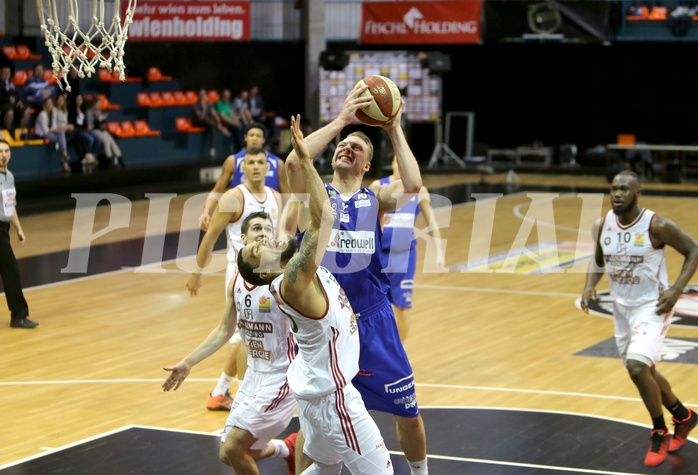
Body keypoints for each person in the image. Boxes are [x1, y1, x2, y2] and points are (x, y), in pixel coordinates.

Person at [284, 84, 428, 474]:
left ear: (367, 166)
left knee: (408, 412)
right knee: (312, 429)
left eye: (357, 148)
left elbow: (414, 186)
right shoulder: (314, 199)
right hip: (324, 328)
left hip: (373, 320)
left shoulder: (375, 198)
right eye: (342, 145)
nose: (346, 148)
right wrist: (342, 121)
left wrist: (394, 128)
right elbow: (296, 164)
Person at [237, 115, 393, 474]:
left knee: (324, 468)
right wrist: (306, 160)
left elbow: (300, 212)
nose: (268, 241)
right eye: (260, 249)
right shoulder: (293, 278)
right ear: (264, 272)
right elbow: (324, 219)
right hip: (333, 400)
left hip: (313, 395)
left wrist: (299, 172)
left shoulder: (289, 267)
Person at [164, 212, 298, 475]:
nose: (263, 233)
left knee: (236, 446)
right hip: (254, 376)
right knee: (228, 454)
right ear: (243, 237)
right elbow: (225, 329)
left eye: (268, 230)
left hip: (283, 375)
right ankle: (288, 449)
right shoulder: (237, 280)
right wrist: (189, 362)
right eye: (257, 228)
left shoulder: (284, 279)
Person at [581, 170, 698, 467]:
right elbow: (598, 259)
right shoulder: (603, 224)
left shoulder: (656, 225)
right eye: (613, 189)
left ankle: (659, 430)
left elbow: (693, 250)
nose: (617, 194)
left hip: (652, 306)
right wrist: (589, 284)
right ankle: (683, 416)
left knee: (636, 367)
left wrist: (676, 289)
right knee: (645, 371)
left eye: (624, 189)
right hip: (621, 309)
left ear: (638, 192)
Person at [187, 147, 283, 412]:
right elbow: (210, 236)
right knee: (244, 337)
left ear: (267, 168)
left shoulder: (275, 197)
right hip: (240, 274)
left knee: (258, 336)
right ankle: (244, 398)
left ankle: (221, 391)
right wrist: (197, 273)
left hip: (268, 275)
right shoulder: (233, 197)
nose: (254, 166)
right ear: (243, 168)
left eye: (260, 162)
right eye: (250, 162)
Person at [369, 155, 447, 345]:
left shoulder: (420, 191)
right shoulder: (378, 185)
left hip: (404, 257)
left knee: (401, 310)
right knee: (374, 308)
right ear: (393, 164)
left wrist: (439, 253)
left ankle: (401, 351)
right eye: (398, 161)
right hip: (379, 256)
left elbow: (433, 224)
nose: (401, 165)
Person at [199, 122, 288, 231]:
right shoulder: (233, 161)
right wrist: (206, 212)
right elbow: (217, 190)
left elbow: (287, 195)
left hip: (269, 216)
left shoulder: (277, 163)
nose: (254, 138)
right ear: (245, 138)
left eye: (258, 136)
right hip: (241, 216)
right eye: (251, 135)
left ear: (263, 140)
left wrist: (290, 218)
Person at [0, 139, 37, 329]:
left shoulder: (10, 177)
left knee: (9, 270)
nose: (3, 154)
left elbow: (10, 206)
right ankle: (19, 315)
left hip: (3, 230)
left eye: (6, 150)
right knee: (11, 270)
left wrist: (19, 229)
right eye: (0, 151)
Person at [86, 96, 125, 169]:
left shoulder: (99, 111)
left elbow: (101, 122)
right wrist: (98, 120)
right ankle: (109, 160)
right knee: (106, 141)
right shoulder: (89, 111)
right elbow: (89, 125)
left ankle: (120, 159)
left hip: (102, 130)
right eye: (98, 103)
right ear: (94, 103)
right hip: (95, 130)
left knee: (112, 141)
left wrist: (102, 121)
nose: (99, 105)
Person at [191, 88, 231, 159]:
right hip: (198, 122)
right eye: (201, 94)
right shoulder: (195, 105)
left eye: (204, 94)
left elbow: (214, 114)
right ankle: (221, 129)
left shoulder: (209, 104)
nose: (203, 96)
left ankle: (212, 149)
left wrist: (218, 122)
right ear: (199, 95)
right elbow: (201, 118)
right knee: (206, 120)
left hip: (208, 123)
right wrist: (204, 108)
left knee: (211, 127)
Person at [34, 96, 71, 171]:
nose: (49, 105)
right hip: (41, 134)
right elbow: (45, 130)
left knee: (61, 133)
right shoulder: (42, 114)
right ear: (45, 105)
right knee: (61, 138)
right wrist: (57, 129)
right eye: (47, 104)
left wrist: (58, 129)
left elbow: (54, 126)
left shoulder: (52, 113)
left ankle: (64, 155)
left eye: (51, 103)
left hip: (49, 132)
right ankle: (65, 158)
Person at [0, 66, 31, 133]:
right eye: (5, 73)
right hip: (3, 103)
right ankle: (8, 132)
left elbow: (16, 94)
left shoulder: (10, 83)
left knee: (27, 110)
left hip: (14, 103)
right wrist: (8, 99)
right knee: (10, 112)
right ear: (1, 74)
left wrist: (19, 101)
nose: (7, 75)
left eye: (8, 73)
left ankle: (21, 132)